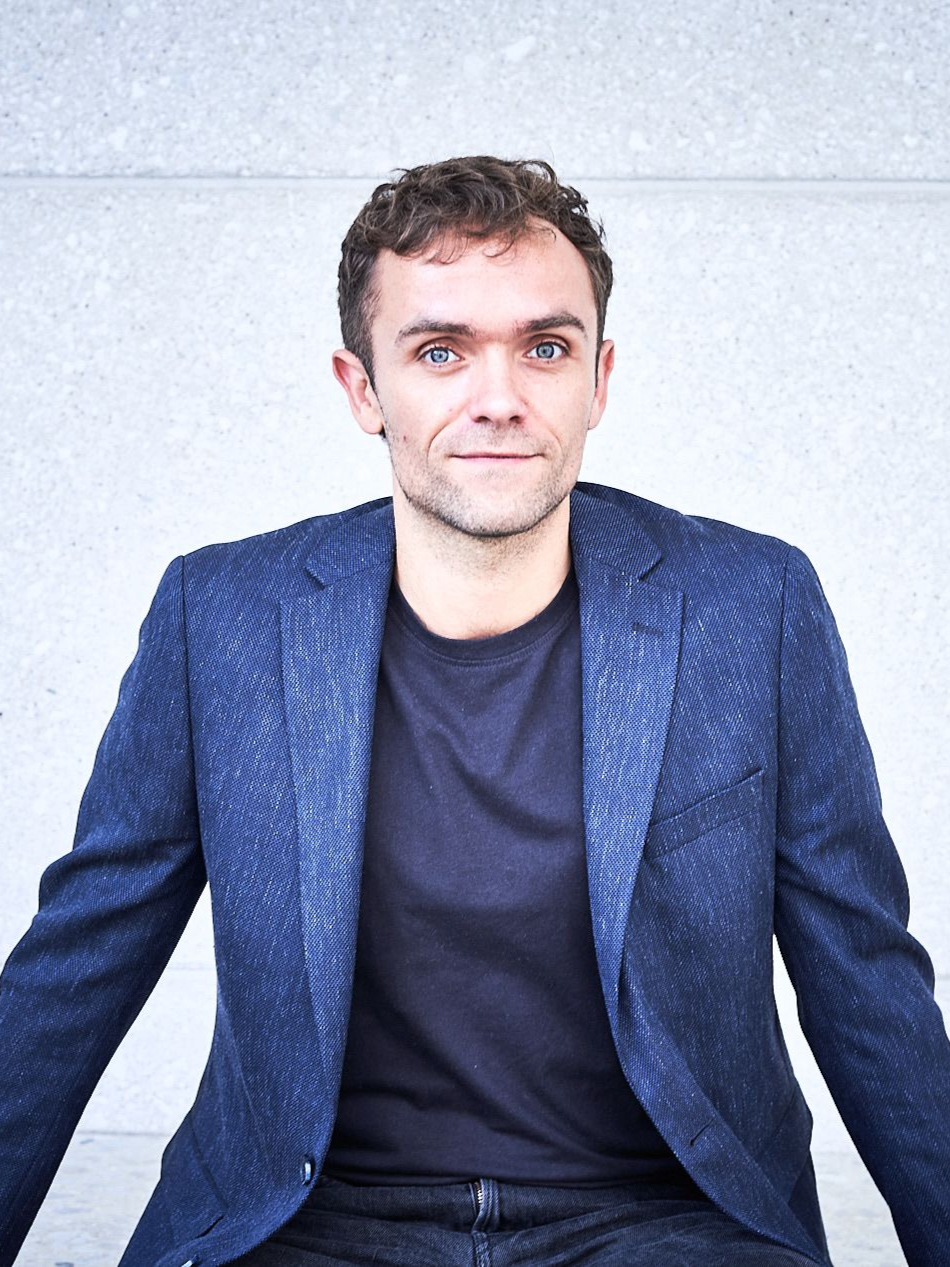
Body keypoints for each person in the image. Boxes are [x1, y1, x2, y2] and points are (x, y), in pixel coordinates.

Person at [0, 155, 947, 1267]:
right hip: (309, 1220)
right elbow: (83, 955)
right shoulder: (222, 616)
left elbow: (860, 969)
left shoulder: (751, 606)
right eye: (439, 351)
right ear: (363, 388)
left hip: (661, 1220)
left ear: (597, 379)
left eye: (544, 348)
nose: (498, 398)